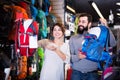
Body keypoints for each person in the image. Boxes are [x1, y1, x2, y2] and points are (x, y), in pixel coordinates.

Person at [69, 13, 116, 80]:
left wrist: (107, 27)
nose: (80, 24)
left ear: (89, 24)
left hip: (92, 74)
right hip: (76, 73)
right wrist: (78, 57)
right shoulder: (73, 38)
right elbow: (69, 57)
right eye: (79, 21)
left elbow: (113, 43)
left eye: (83, 22)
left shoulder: (97, 35)